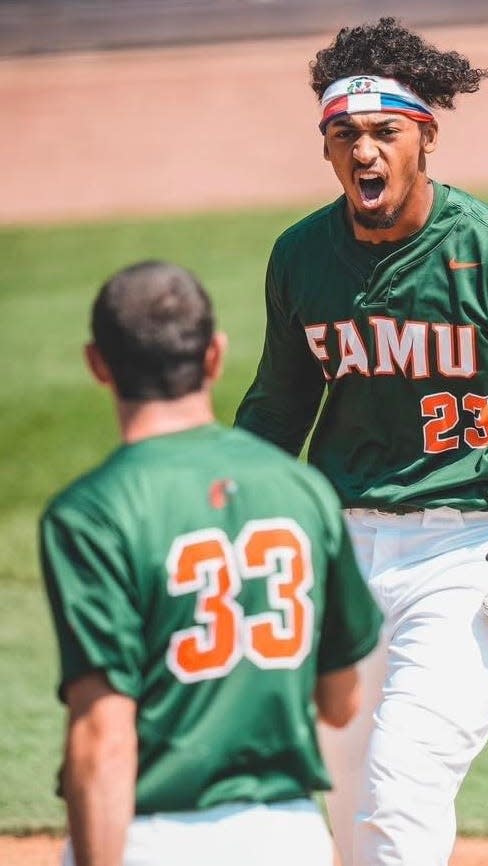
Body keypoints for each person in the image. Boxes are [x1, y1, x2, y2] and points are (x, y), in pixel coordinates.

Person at [235, 17, 488, 866]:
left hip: (470, 556)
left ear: (426, 136)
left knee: (399, 790)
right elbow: (276, 408)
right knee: (333, 807)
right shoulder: (301, 257)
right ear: (325, 149)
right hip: (339, 552)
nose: (364, 153)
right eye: (344, 136)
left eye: (384, 132)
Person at [39, 260, 383, 866]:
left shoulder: (91, 512)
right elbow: (341, 701)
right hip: (289, 839)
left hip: (155, 839)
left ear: (98, 364)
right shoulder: (303, 492)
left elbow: (103, 732)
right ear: (215, 356)